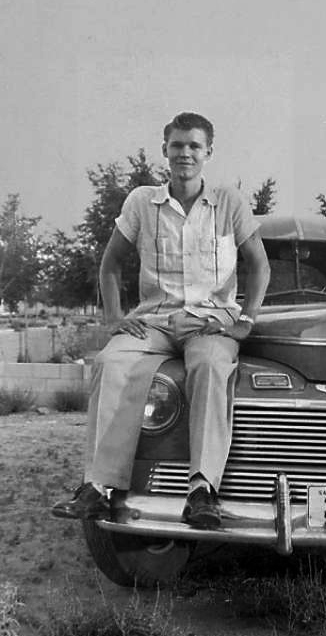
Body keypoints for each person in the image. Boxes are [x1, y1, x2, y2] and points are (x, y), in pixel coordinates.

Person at [53, 111, 270, 529]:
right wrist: (115, 318)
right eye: (177, 145)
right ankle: (97, 488)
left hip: (210, 322)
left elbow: (259, 266)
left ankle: (203, 490)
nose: (184, 153)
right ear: (164, 150)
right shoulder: (141, 201)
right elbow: (110, 264)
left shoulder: (229, 202)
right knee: (110, 362)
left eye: (194, 146)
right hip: (153, 321)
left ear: (209, 152)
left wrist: (246, 320)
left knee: (209, 367)